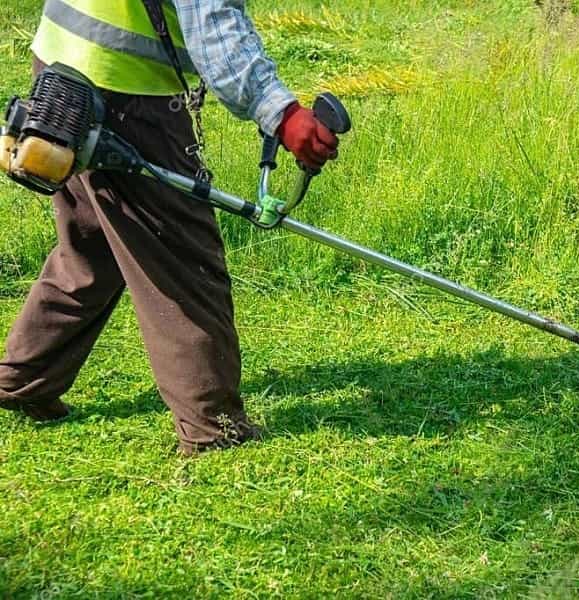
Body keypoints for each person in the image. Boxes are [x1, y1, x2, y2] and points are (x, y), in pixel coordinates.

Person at [0, 0, 339, 455]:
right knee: (182, 259)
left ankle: (23, 378)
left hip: (62, 63)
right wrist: (281, 111)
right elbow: (213, 22)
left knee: (92, 245)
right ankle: (212, 425)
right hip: (125, 88)